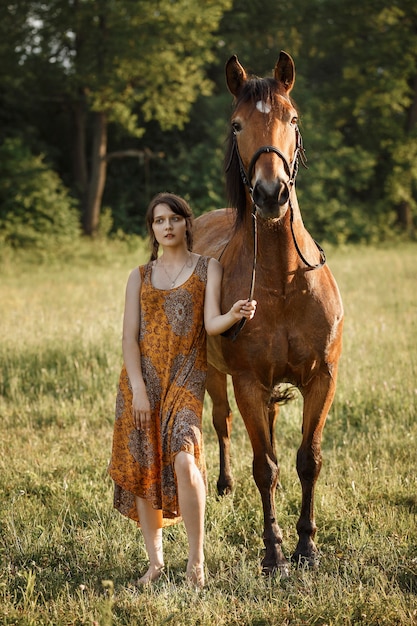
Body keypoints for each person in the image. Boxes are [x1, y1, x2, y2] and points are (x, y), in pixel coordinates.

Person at [108, 192, 256, 588]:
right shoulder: (138, 276)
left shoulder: (209, 269)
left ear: (187, 223)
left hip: (187, 379)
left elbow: (210, 324)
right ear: (152, 229)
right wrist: (138, 389)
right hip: (142, 385)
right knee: (144, 468)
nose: (167, 226)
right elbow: (128, 339)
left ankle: (196, 561)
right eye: (159, 221)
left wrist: (234, 313)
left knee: (185, 461)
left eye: (173, 218)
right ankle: (155, 563)